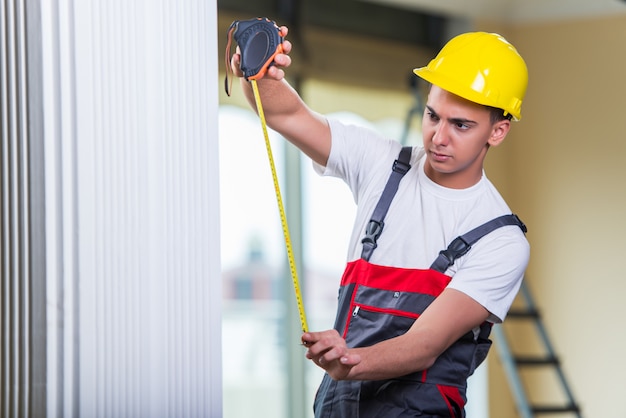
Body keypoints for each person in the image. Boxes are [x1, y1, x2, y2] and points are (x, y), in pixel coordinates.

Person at [230, 25, 530, 418]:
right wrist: (255, 68)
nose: (438, 137)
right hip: (338, 406)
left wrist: (349, 361)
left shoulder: (501, 239)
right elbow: (287, 113)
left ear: (498, 131)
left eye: (460, 125)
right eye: (433, 115)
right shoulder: (382, 164)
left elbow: (424, 345)